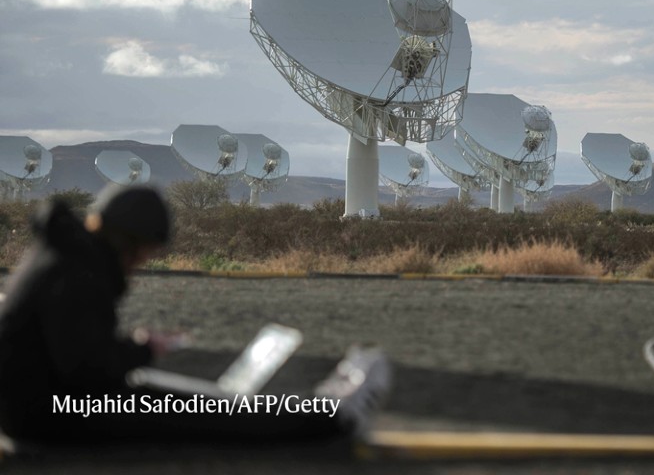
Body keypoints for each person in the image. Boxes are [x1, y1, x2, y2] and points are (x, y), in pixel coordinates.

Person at [0, 184, 390, 449]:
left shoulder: (66, 255)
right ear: (129, 242)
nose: (141, 264)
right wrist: (140, 350)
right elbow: (87, 369)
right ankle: (333, 417)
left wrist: (137, 350)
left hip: (47, 407)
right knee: (206, 414)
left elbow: (72, 352)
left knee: (191, 400)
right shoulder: (78, 274)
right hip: (53, 417)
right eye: (145, 253)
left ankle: (316, 409)